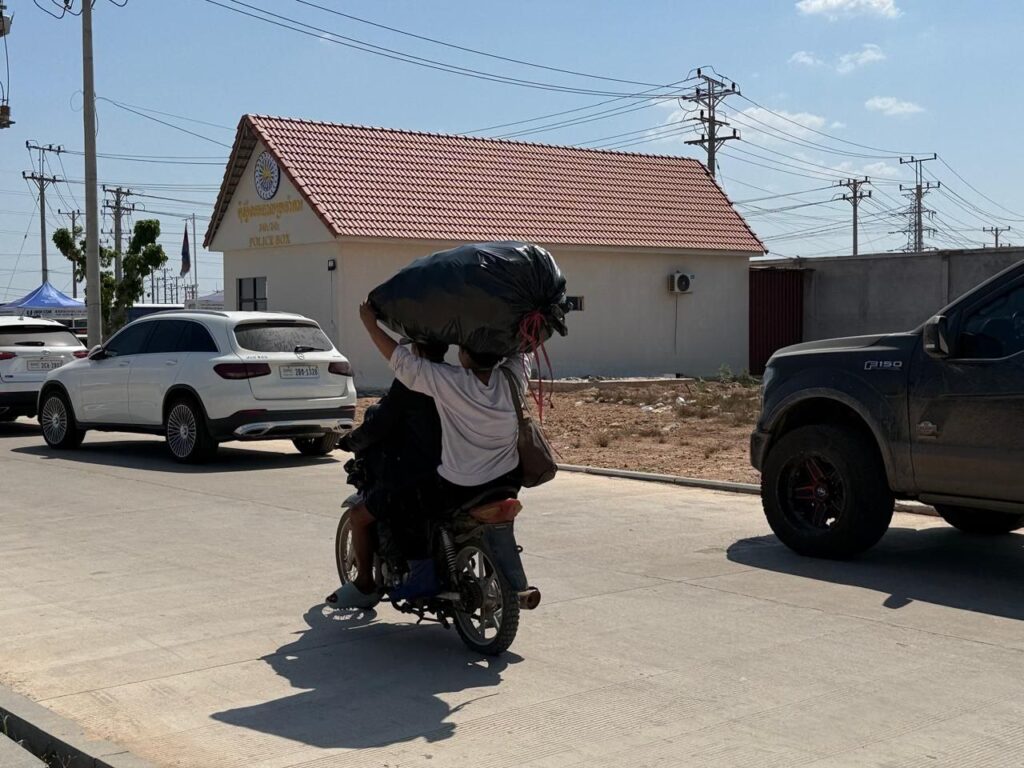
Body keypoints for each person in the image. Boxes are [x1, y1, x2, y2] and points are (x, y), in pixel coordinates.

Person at [329, 300, 528, 609]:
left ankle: (407, 577)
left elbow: (399, 371)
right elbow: (524, 351)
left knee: (407, 503)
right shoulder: (512, 378)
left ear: (464, 355)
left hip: (458, 485)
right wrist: (524, 317)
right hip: (507, 481)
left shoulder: (444, 383)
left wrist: (369, 322)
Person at [328, 341, 446, 609]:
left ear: (416, 351)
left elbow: (378, 425)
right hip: (455, 474)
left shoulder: (411, 382)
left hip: (414, 479)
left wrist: (349, 442)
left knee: (359, 516)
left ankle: (365, 584)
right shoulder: (454, 377)